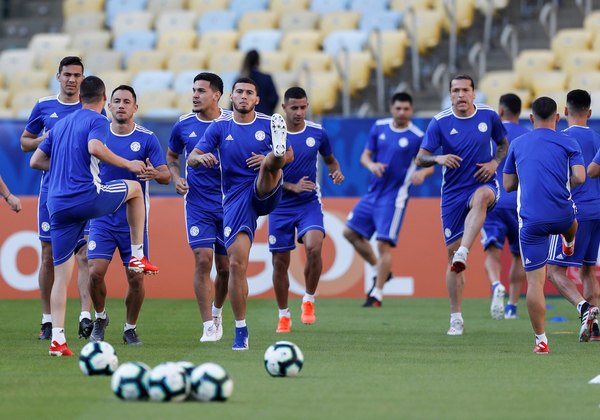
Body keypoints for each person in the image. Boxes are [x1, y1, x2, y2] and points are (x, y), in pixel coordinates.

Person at [30, 76, 158, 356]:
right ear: (103, 98)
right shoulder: (98, 120)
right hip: (86, 197)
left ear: (80, 96)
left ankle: (58, 340)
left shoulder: (60, 124)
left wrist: (65, 161)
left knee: (61, 277)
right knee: (135, 189)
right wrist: (128, 163)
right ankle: (137, 254)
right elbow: (95, 149)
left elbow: (35, 160)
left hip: (57, 205)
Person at [187, 77, 293, 350]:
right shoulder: (220, 127)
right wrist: (201, 158)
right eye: (239, 93)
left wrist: (275, 156)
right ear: (231, 98)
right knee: (235, 265)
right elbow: (192, 157)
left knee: (270, 164)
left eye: (249, 93)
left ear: (257, 99)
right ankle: (241, 330)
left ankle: (272, 155)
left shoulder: (268, 122)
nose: (244, 96)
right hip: (235, 200)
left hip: (266, 188)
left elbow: (291, 155)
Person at [416, 75, 508, 336]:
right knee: (450, 255)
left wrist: (494, 164)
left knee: (481, 198)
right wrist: (439, 157)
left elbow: (502, 144)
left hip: (484, 183)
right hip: (453, 193)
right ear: (450, 94)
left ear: (474, 93)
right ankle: (456, 317)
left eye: (465, 90)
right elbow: (420, 158)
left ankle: (464, 252)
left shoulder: (489, 116)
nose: (460, 95)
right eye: (455, 91)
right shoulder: (440, 122)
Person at [87, 85, 170, 345]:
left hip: (133, 223)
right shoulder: (97, 136)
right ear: (108, 106)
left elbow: (166, 175)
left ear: (135, 108)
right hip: (101, 217)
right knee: (94, 272)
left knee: (135, 278)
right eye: (116, 101)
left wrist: (154, 174)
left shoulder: (147, 138)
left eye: (127, 101)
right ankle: (100, 318)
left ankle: (129, 328)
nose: (121, 105)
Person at [503, 96, 586, 354]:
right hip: (561, 214)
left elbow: (507, 186)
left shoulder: (517, 143)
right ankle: (569, 241)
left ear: (531, 119)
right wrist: (562, 180)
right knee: (572, 218)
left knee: (535, 283)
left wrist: (529, 179)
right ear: (557, 118)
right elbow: (581, 178)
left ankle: (541, 340)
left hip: (531, 221)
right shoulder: (568, 141)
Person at [20, 56, 94, 341]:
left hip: (83, 191)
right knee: (48, 255)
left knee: (85, 254)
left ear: (83, 78)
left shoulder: (90, 109)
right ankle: (47, 319)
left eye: (77, 75)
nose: (72, 80)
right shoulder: (44, 106)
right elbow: (26, 142)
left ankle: (85, 315)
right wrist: (44, 140)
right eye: (67, 74)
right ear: (58, 76)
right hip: (51, 192)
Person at [344, 92, 433, 307]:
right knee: (349, 232)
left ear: (411, 111)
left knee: (383, 244)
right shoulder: (379, 127)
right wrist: (371, 165)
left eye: (406, 109)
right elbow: (364, 156)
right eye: (398, 108)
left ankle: (377, 293)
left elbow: (428, 163)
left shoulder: (416, 136)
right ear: (391, 109)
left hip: (394, 198)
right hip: (372, 193)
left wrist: (422, 173)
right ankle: (379, 269)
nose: (402, 112)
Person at [269, 86, 344, 333]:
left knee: (314, 247)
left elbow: (330, 159)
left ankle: (309, 300)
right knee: (280, 262)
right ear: (284, 108)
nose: (299, 112)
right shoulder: (272, 135)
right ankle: (283, 315)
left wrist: (335, 171)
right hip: (279, 203)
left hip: (308, 202)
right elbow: (265, 171)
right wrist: (291, 185)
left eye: (303, 107)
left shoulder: (317, 133)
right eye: (294, 108)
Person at [167, 72, 230, 343]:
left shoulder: (233, 122)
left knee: (226, 268)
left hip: (231, 203)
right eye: (193, 90)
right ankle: (207, 326)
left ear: (216, 95)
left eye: (201, 91)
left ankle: (217, 312)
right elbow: (171, 157)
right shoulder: (183, 125)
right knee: (203, 260)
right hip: (198, 203)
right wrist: (176, 177)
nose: (195, 95)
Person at [546, 89, 600, 342]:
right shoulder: (598, 139)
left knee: (555, 271)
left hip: (575, 213)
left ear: (565, 112)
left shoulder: (559, 140)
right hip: (598, 210)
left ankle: (584, 308)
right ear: (589, 113)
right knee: (589, 269)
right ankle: (595, 327)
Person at [480, 93, 529, 320]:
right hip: (519, 204)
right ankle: (511, 306)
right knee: (519, 257)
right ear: (520, 113)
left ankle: (496, 284)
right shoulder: (528, 137)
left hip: (493, 200)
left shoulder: (489, 137)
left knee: (492, 251)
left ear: (500, 112)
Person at [240, 50, 279, 115]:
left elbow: (234, 101)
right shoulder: (266, 77)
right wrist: (268, 109)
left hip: (245, 116)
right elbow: (274, 98)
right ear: (258, 61)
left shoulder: (240, 79)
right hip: (264, 114)